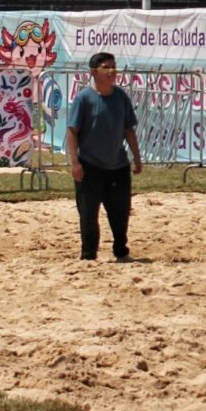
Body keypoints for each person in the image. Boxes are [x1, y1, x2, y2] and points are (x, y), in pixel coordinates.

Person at [66, 52, 143, 261]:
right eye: (106, 67)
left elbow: (129, 130)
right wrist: (75, 163)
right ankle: (88, 255)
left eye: (113, 66)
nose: (112, 71)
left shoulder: (120, 97)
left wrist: (137, 158)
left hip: (117, 167)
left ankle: (121, 250)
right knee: (88, 215)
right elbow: (72, 132)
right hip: (90, 166)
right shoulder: (84, 98)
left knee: (120, 214)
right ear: (94, 72)